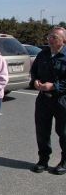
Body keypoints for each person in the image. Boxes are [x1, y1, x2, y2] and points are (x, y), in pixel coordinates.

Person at [30, 27, 66, 175]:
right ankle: (43, 160)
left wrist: (54, 86)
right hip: (43, 100)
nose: (50, 39)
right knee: (42, 131)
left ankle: (64, 161)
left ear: (63, 40)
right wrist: (35, 82)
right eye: (49, 36)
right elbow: (34, 72)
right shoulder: (42, 54)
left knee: (63, 132)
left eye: (55, 37)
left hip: (62, 100)